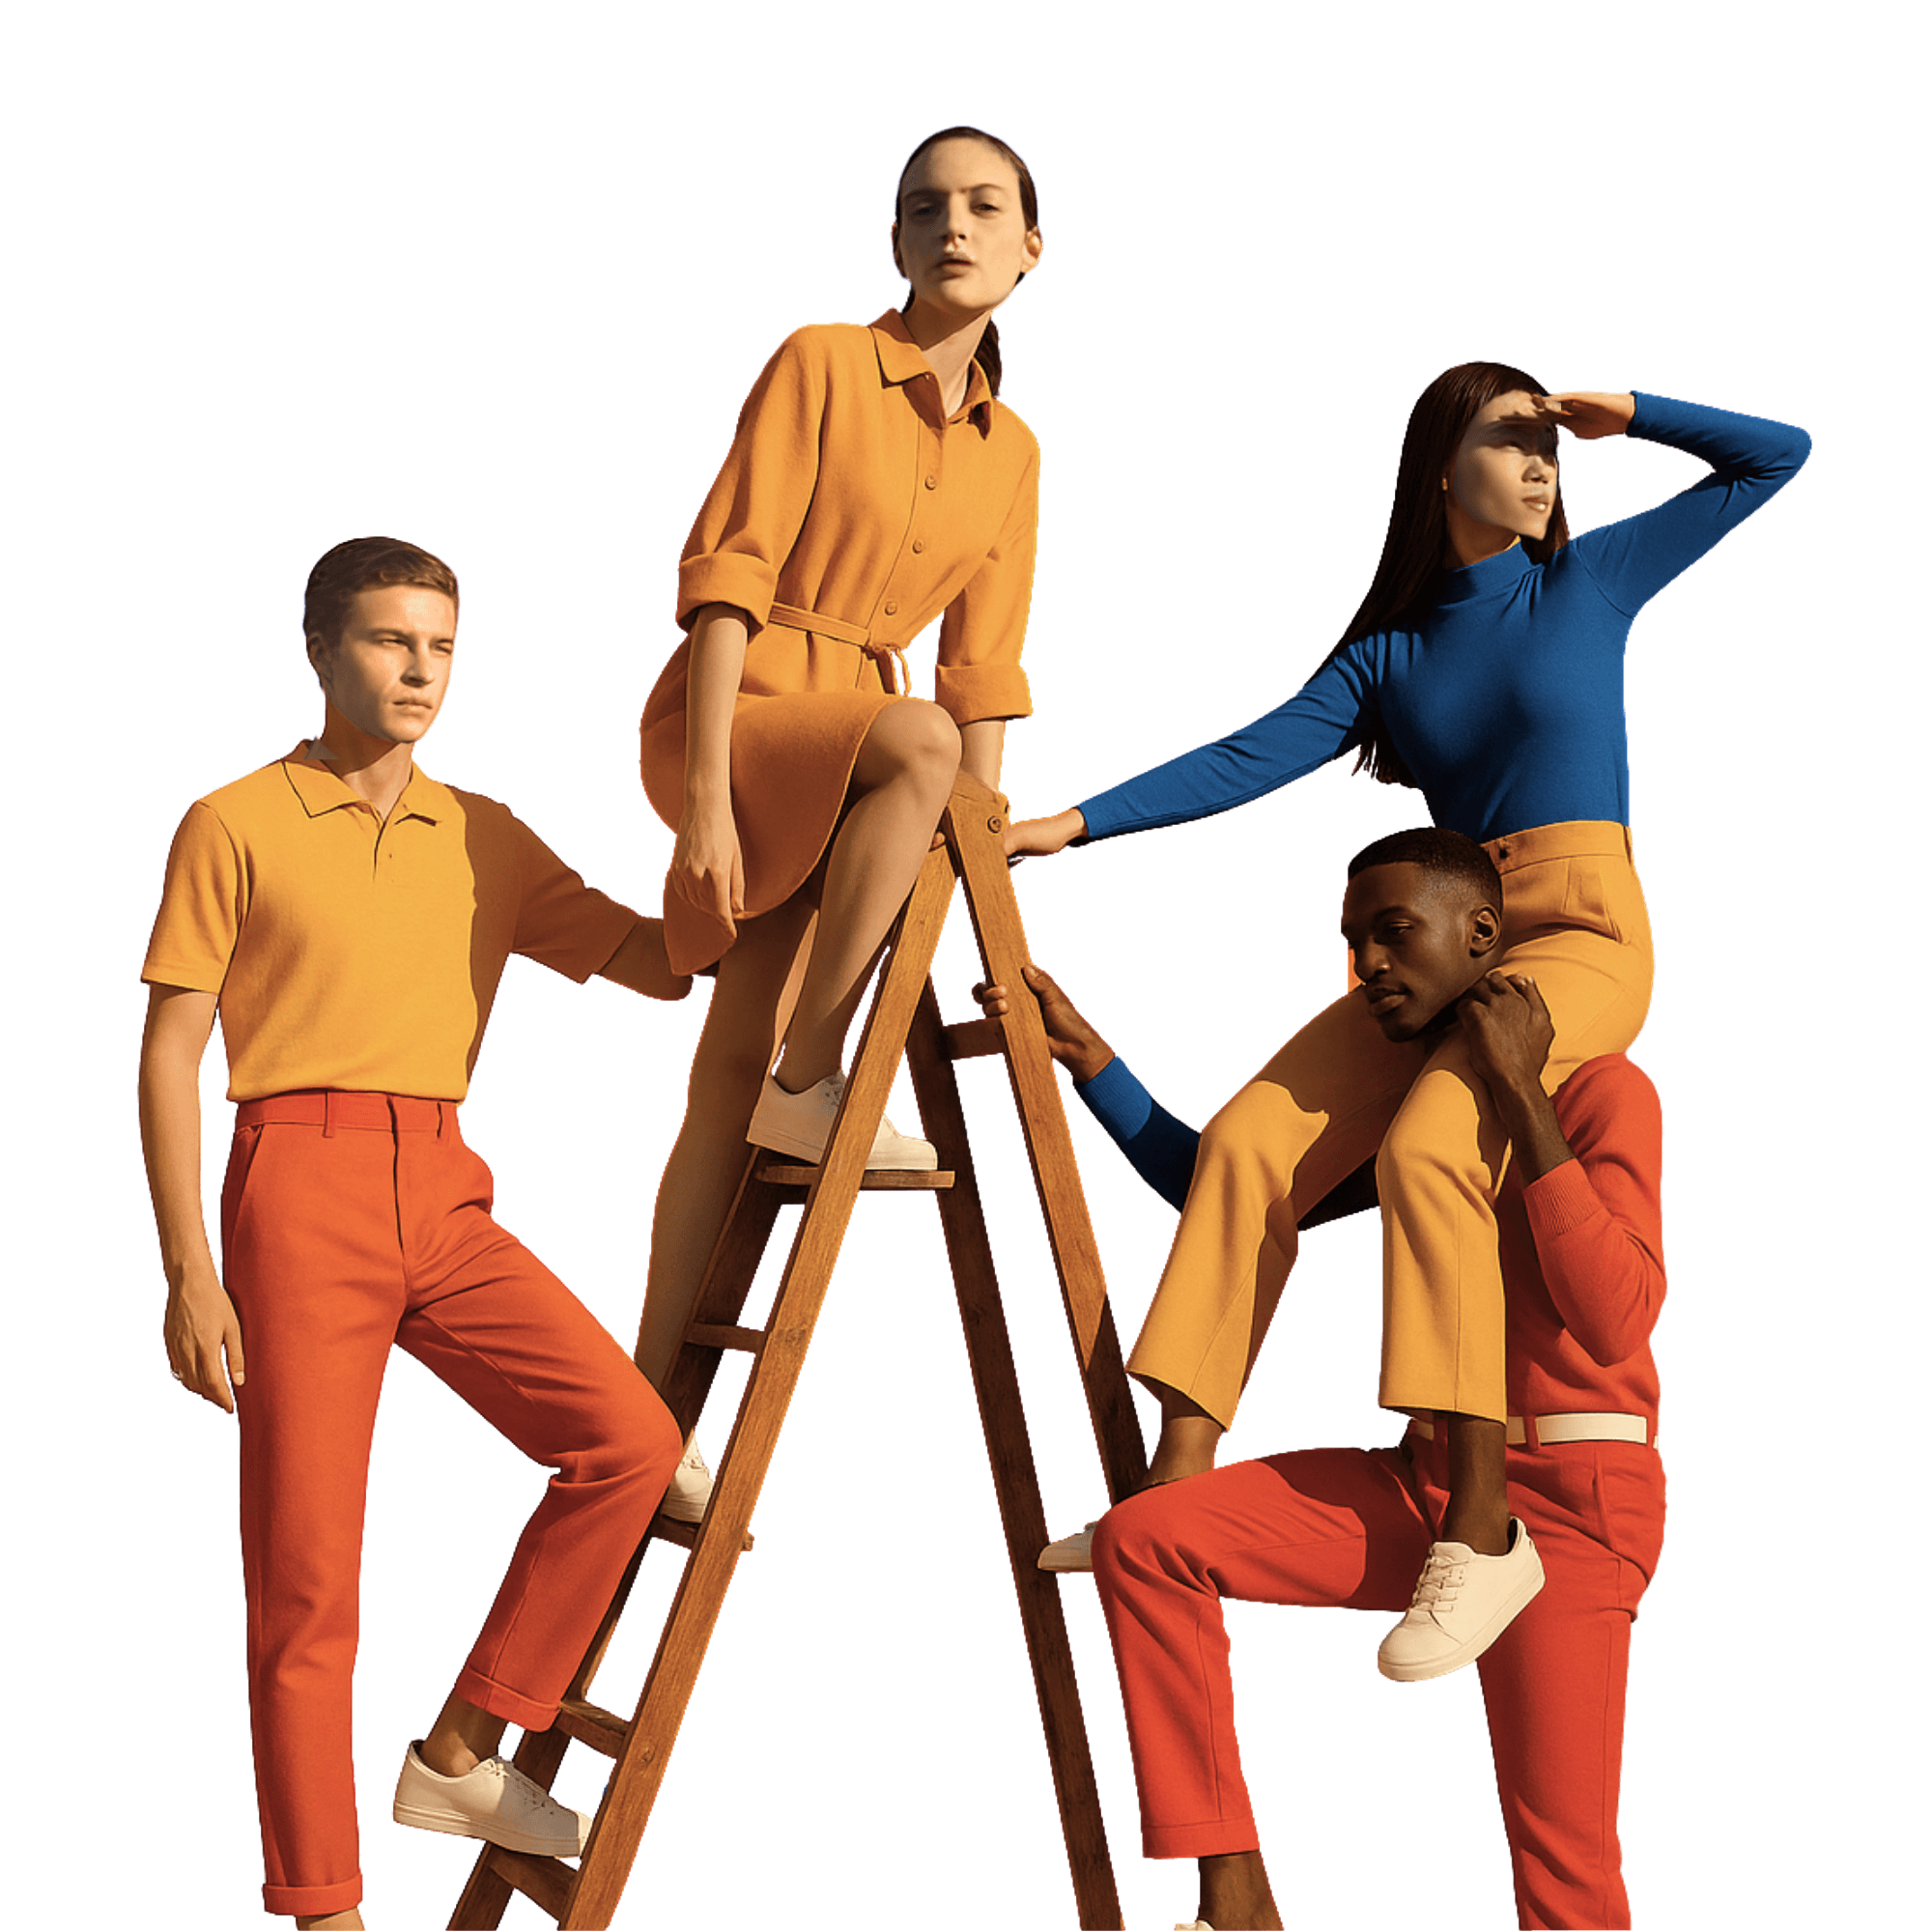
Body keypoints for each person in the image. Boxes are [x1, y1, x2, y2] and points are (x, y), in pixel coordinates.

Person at [1004, 368, 1802, 1671]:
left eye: (1551, 444)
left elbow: (1779, 456)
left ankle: (1482, 1534)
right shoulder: (1392, 652)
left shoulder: (1587, 581)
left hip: (1583, 928)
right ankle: (1175, 1483)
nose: (1543, 461)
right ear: (1442, 466)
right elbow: (1250, 752)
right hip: (1451, 933)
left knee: (1435, 1146)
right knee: (1259, 1137)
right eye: (1512, 437)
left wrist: (1631, 412)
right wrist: (1073, 822)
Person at [137, 537, 693, 1929]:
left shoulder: (486, 835)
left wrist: (757, 851)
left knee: (627, 1444)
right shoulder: (234, 819)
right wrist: (189, 1272)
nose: (419, 671)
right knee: (307, 1587)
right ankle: (325, 1907)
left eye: (441, 647)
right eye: (391, 644)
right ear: (320, 654)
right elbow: (168, 1054)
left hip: (442, 1190)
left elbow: (658, 962)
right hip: (294, 1190)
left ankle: (461, 1752)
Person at [974, 828, 1667, 1931]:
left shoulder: (1602, 1088)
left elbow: (1615, 1310)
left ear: (1481, 936)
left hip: (1573, 1506)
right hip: (1424, 1482)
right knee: (1146, 1544)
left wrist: (1522, 1101)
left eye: (1392, 933)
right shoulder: (1402, 1101)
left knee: (1563, 1875)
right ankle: (1235, 1897)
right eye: (1351, 943)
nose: (1367, 967)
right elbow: (1235, 1184)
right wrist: (1096, 1064)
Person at [633, 128, 1046, 1471]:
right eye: (926, 208)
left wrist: (977, 859)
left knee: (719, 1082)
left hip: (870, 757)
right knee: (917, 736)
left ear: (1030, 250)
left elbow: (986, 667)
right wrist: (703, 794)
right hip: (743, 715)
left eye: (986, 208)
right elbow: (729, 574)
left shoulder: (1016, 451)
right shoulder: (820, 358)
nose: (954, 227)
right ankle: (819, 1084)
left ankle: (649, 1424)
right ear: (894, 244)